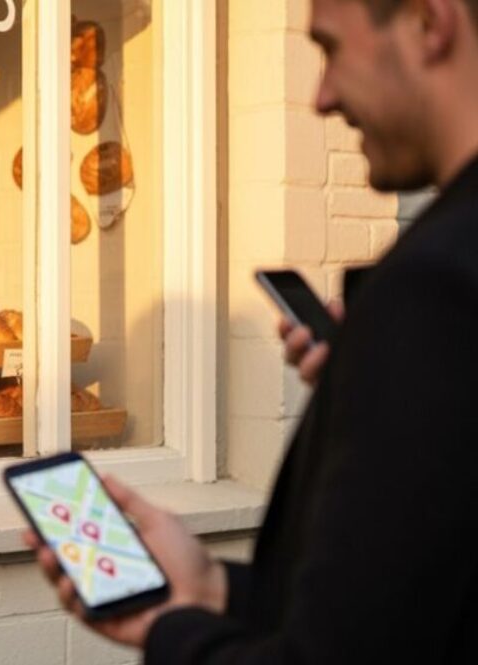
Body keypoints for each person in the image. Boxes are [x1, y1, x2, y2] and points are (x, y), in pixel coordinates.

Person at [25, 0, 478, 661]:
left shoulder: (432, 290)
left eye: (330, 48)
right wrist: (212, 586)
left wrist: (168, 628)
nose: (321, 97)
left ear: (429, 25)